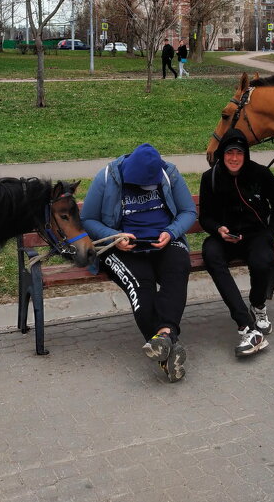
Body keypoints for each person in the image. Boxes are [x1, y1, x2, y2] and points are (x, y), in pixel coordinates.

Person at [81, 144, 197, 382]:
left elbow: (188, 211)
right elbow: (88, 219)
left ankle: (164, 335)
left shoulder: (169, 173)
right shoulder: (107, 177)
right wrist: (115, 236)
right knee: (142, 288)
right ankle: (168, 351)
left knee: (177, 270)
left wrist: (171, 232)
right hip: (123, 249)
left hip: (163, 243)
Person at [199, 129, 274, 357]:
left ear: (245, 154)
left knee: (262, 259)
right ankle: (242, 319)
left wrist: (270, 233)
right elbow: (205, 216)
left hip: (256, 235)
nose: (234, 158)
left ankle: (257, 306)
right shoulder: (211, 178)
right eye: (230, 153)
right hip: (225, 237)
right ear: (222, 155)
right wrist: (217, 229)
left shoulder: (260, 173)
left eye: (239, 153)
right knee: (210, 253)